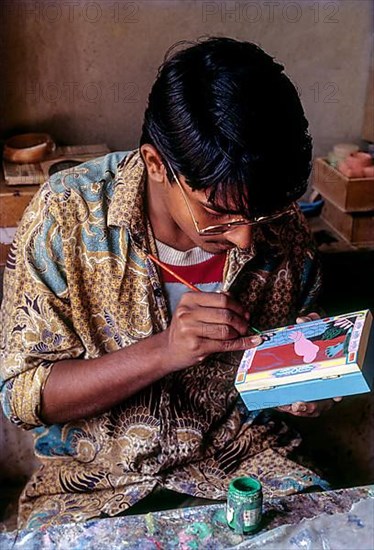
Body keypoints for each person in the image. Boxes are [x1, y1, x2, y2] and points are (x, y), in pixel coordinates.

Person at [0, 37, 339, 529]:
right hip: (95, 481)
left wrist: (307, 379)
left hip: (244, 465)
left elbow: (282, 378)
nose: (247, 238)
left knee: (338, 531)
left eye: (259, 215)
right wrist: (165, 350)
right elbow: (24, 397)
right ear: (157, 166)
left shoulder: (281, 226)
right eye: (219, 215)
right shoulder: (66, 216)